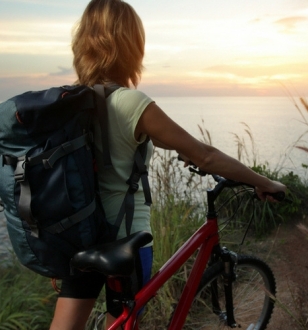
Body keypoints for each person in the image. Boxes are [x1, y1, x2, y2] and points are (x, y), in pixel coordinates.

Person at [49, 0, 287, 329]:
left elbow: (147, 142)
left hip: (80, 234)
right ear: (131, 44)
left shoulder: (74, 100)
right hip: (125, 239)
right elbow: (206, 155)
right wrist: (263, 182)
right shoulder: (130, 102)